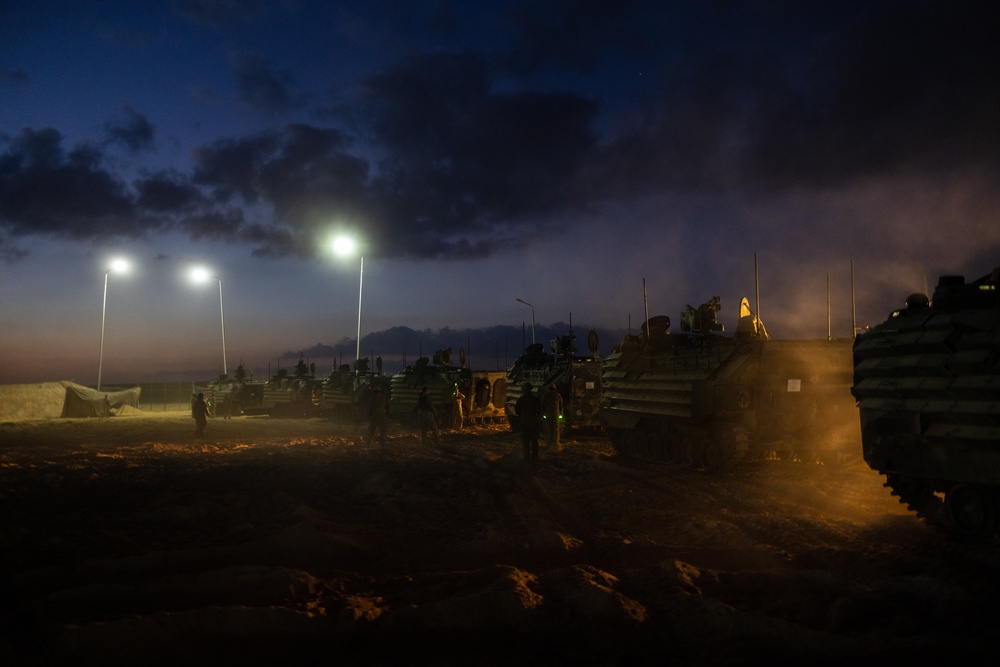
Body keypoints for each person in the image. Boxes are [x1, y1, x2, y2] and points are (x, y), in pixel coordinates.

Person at [514, 382, 542, 462]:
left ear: (523, 390)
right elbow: (539, 410)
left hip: (524, 422)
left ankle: (526, 457)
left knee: (525, 441)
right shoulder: (535, 399)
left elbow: (517, 411)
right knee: (534, 440)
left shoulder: (520, 400)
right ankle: (535, 457)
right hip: (533, 421)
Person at [541, 384, 564, 451]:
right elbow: (561, 405)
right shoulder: (558, 395)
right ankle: (556, 442)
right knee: (556, 428)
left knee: (548, 428)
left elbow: (543, 405)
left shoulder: (546, 395)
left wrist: (543, 414)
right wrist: (561, 414)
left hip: (548, 413)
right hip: (556, 413)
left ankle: (549, 442)